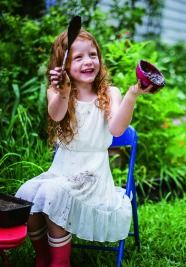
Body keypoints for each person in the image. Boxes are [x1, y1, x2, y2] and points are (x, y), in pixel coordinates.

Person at [16, 28, 154, 267]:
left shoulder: (109, 93)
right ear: (63, 65)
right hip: (62, 169)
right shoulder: (57, 92)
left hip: (93, 176)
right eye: (78, 57)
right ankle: (43, 255)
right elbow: (56, 115)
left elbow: (117, 130)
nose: (88, 61)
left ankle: (61, 262)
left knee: (54, 193)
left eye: (92, 54)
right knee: (27, 192)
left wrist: (132, 94)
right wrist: (63, 91)